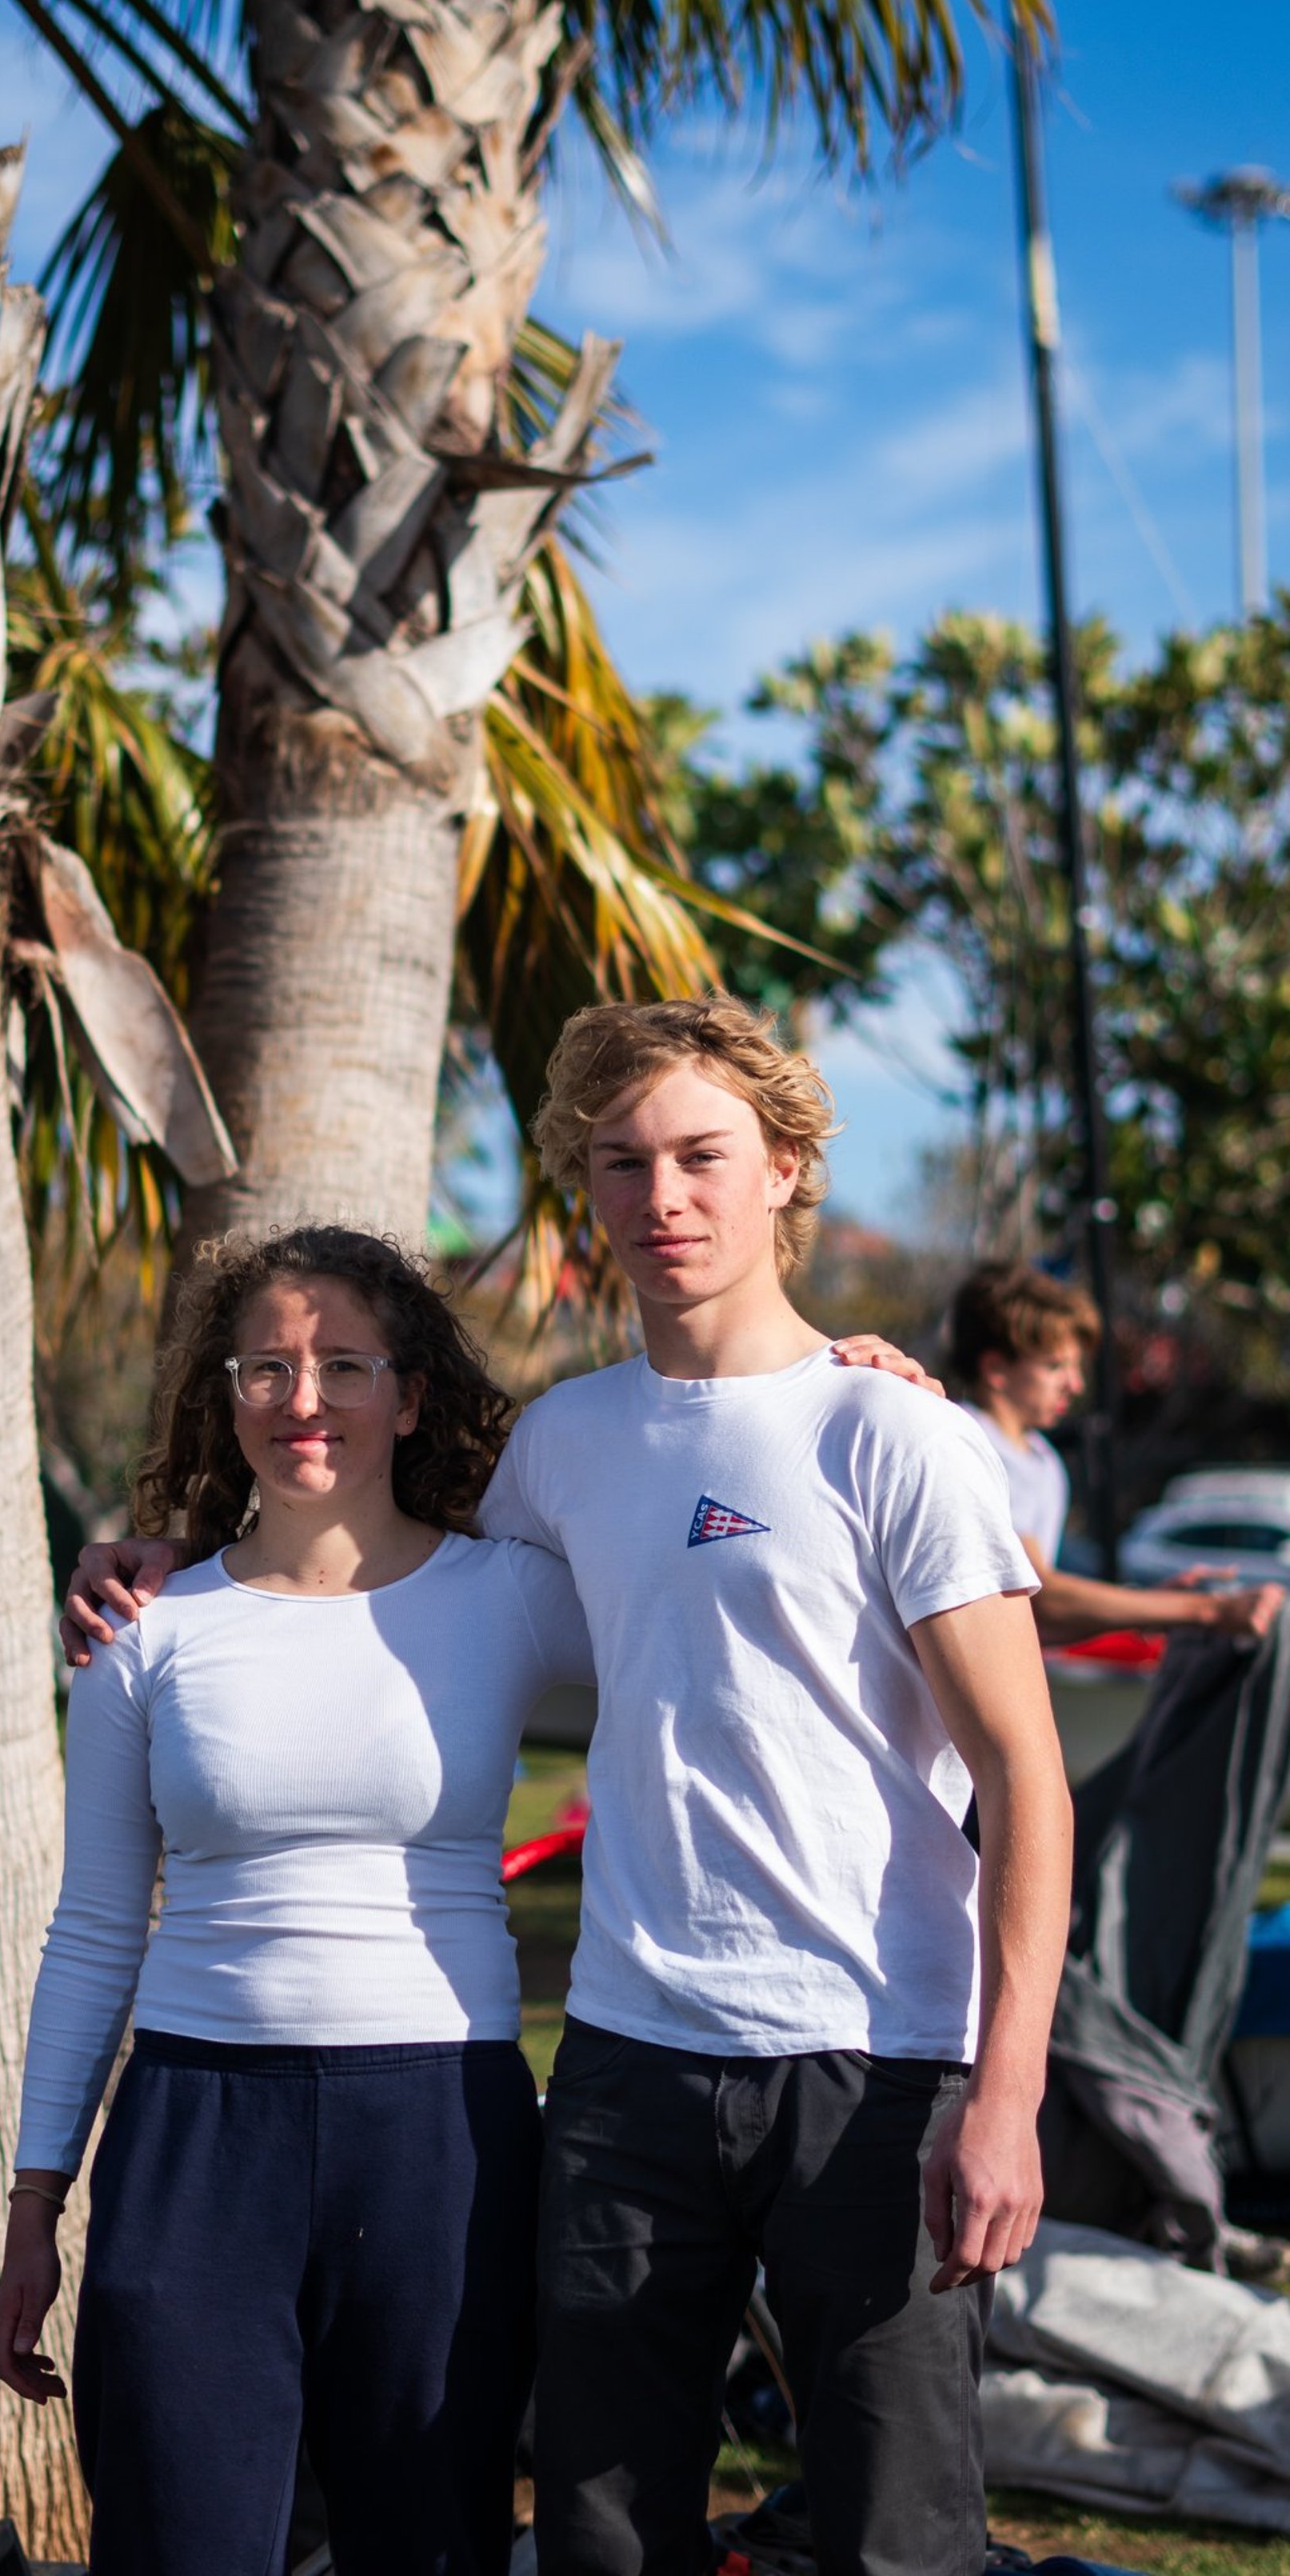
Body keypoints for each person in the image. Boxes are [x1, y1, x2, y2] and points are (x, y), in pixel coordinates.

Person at [66, 995, 1074, 2576]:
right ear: (588, 1191)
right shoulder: (561, 1444)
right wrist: (171, 1553)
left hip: (878, 2066)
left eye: (701, 1156)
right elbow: (360, 1549)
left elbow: (1028, 1777)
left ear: (787, 1168)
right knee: (601, 2534)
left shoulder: (895, 1436)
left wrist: (1007, 2093)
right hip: (623, 2066)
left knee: (899, 2538)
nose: (662, 1196)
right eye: (623, 1163)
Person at [0, 1226, 596, 2576]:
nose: (303, 1399)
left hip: (442, 2132)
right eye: (266, 1363)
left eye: (343, 1364)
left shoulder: (516, 1596)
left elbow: (718, 1605)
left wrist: (834, 1386)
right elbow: (96, 1928)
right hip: (197, 2140)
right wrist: (38, 2197)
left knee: (431, 2548)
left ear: (414, 1393)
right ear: (226, 1392)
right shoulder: (144, 1630)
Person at [949, 1261, 1283, 1643]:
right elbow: (1039, 1597)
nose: (1074, 1386)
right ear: (995, 1368)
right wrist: (1208, 1608)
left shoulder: (1041, 1459)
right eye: (1055, 1366)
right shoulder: (968, 1442)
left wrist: (1148, 1606)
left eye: (1077, 1368)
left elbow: (1033, 1623)